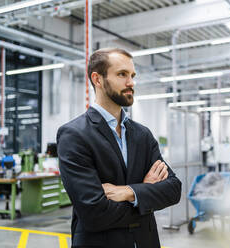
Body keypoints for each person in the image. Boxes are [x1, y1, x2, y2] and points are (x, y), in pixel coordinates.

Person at [57, 48, 182, 248]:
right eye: (122, 74)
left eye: (132, 76)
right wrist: (146, 193)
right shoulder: (74, 135)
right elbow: (94, 213)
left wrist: (129, 192)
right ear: (97, 79)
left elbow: (174, 190)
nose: (131, 82)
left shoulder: (142, 135)